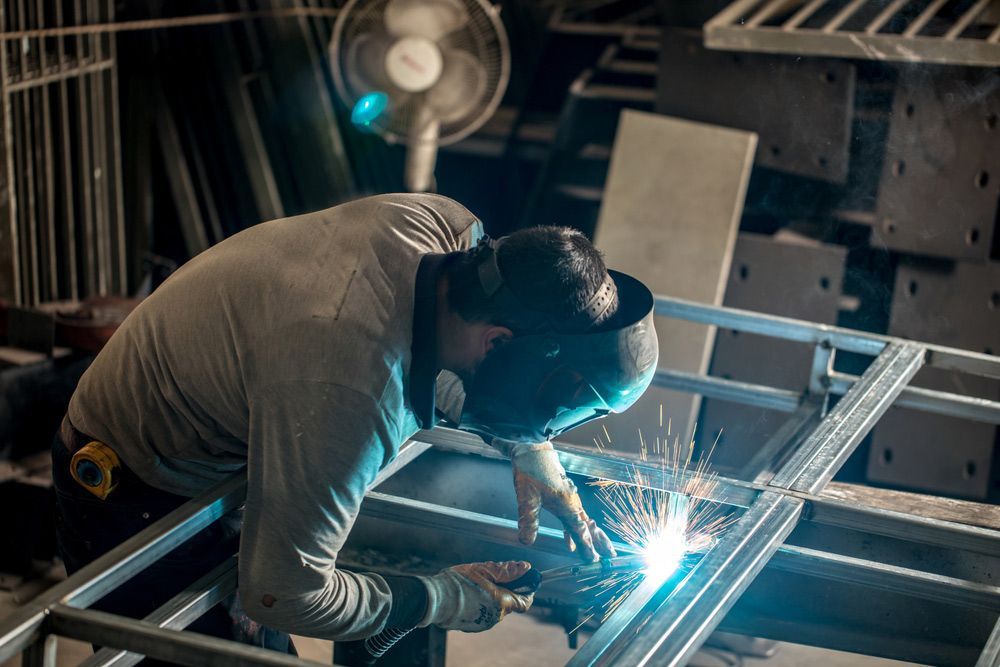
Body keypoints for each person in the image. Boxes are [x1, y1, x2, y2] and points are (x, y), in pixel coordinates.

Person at [52, 193, 658, 654]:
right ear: (499, 342)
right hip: (134, 489)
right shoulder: (348, 391)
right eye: (557, 409)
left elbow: (470, 354)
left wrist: (533, 453)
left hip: (231, 434)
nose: (552, 427)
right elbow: (284, 593)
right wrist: (444, 597)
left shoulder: (445, 228)